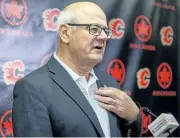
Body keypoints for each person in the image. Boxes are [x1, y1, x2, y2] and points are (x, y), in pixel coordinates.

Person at [12, 2, 142, 137]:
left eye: (105, 31)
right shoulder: (33, 88)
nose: (103, 36)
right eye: (94, 28)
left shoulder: (109, 82)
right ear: (65, 33)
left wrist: (133, 117)